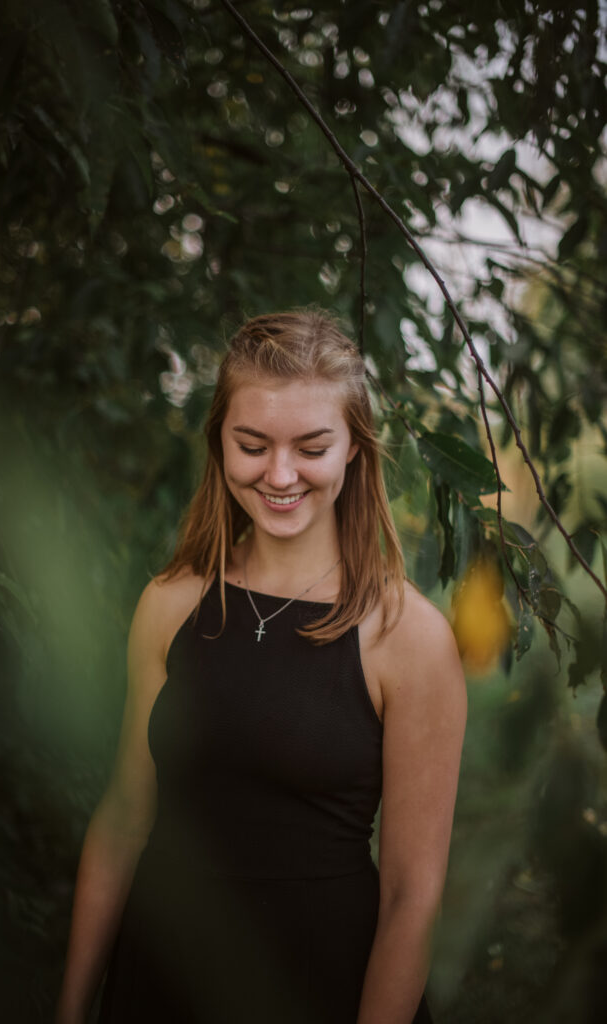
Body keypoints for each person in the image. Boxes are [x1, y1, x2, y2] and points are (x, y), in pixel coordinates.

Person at [55, 309, 467, 1024]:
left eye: (312, 447)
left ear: (354, 452)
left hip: (319, 991)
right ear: (220, 442)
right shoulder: (170, 602)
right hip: (160, 983)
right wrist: (69, 1009)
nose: (280, 474)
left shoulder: (408, 637)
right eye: (253, 444)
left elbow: (412, 897)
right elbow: (124, 819)